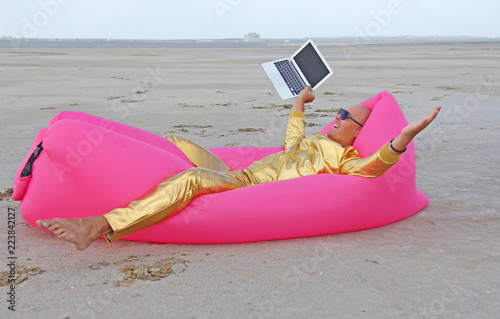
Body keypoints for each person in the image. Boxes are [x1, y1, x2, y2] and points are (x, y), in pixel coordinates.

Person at [37, 85, 441, 250]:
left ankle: (101, 225)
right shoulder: (319, 141)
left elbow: (375, 168)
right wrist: (299, 106)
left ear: (359, 133)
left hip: (243, 191)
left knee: (194, 177)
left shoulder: (349, 161)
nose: (335, 118)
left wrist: (402, 140)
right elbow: (291, 145)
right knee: (179, 141)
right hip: (240, 175)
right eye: (336, 112)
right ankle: (150, 179)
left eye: (343, 117)